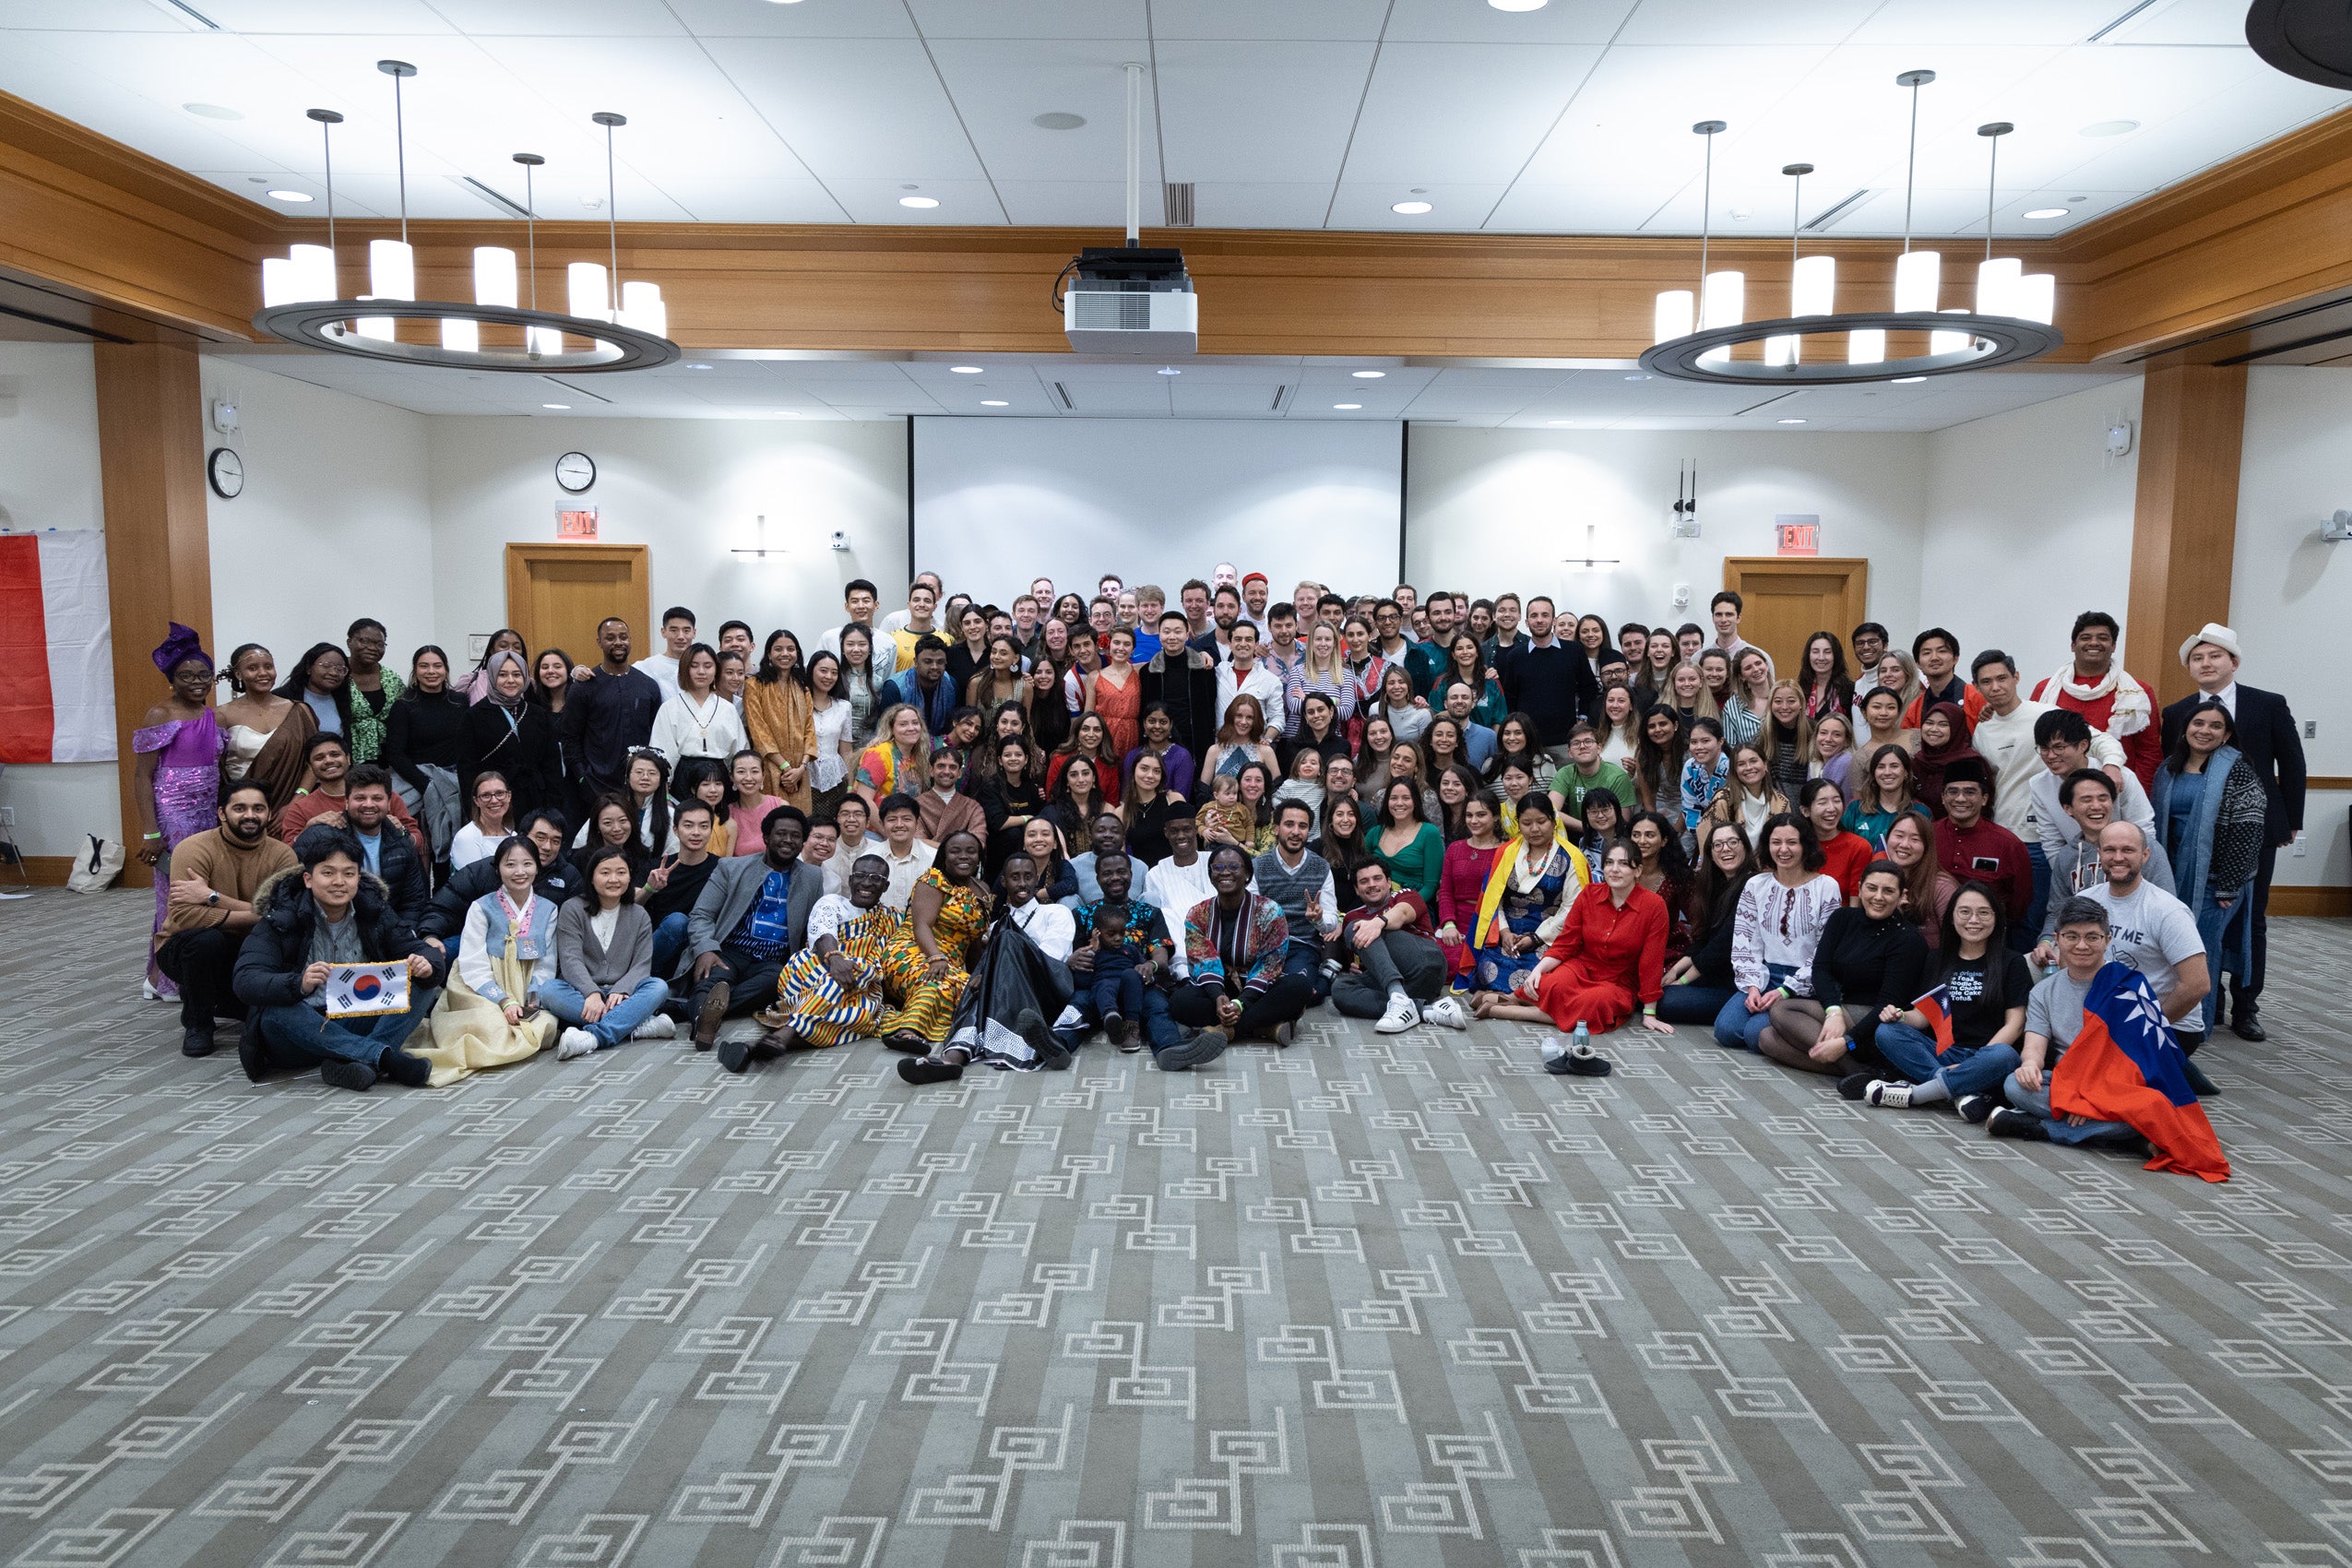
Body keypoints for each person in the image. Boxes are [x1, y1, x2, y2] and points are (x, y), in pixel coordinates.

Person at [2161, 623, 2305, 1042]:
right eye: (2197, 658)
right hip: (2190, 839)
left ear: (2233, 662)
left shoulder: (2266, 704)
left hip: (2255, 831)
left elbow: (2291, 764)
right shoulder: (2176, 712)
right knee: (2194, 918)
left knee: (2249, 918)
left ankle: (2246, 1006)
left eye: (2214, 656)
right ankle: (2210, 999)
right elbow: (2175, 768)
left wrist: (2291, 821)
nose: (2206, 664)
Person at [232, 826, 445, 1091]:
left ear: (359, 877)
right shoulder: (281, 919)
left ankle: (358, 1062)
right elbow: (246, 979)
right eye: (328, 873)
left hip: (356, 1017)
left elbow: (420, 949)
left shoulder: (374, 911)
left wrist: (426, 963)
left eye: (348, 873)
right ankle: (385, 1058)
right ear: (308, 879)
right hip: (298, 1035)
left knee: (422, 982)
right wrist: (298, 983)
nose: (339, 882)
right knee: (276, 1009)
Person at [1478, 841, 1673, 1057]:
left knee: (1593, 1004)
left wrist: (1650, 1013)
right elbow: (1566, 942)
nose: (1614, 869)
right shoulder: (1590, 893)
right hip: (1582, 966)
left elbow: (1651, 961)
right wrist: (1538, 971)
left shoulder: (1654, 906)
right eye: (1609, 863)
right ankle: (1509, 998)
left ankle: (1502, 1009)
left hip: (1618, 980)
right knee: (1551, 983)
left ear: (1638, 871)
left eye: (1623, 864)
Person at [896, 849, 1076, 1081]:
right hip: (1008, 992)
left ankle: (1028, 1044)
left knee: (1006, 940)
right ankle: (952, 1059)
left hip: (1049, 989)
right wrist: (988, 973)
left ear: (1036, 879)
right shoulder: (997, 924)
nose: (1022, 883)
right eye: (1014, 877)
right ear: (1004, 881)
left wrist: (993, 969)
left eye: (1028, 877)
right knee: (975, 989)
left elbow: (1049, 959)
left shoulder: (1055, 912)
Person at [1988, 897, 2152, 1148]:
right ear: (2058, 939)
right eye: (2072, 936)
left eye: (2092, 937)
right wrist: (2029, 1065)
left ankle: (2042, 1128)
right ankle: (2113, 1134)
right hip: (2066, 1079)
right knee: (2014, 1085)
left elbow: (2138, 1058)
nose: (2082, 946)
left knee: (2147, 1107)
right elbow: (2034, 1046)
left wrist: (2091, 1097)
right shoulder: (2044, 991)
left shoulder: (2127, 985)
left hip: (2116, 1083)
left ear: (2107, 940)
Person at [1859, 884, 2030, 1116]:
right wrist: (1899, 1016)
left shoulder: (2012, 962)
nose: (1973, 920)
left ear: (1996, 918)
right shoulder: (1938, 959)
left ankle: (1918, 1094)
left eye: (1983, 912)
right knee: (1887, 1032)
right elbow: (1923, 1017)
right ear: (1951, 917)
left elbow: (2016, 1024)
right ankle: (1958, 1090)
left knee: (2005, 1056)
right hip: (1942, 1054)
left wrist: (1976, 1062)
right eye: (1965, 912)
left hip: (1986, 1056)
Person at [2151, 699, 2266, 1040]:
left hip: (2216, 880)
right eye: (2199, 723)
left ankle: (2193, 1029)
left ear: (2226, 734)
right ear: (2185, 729)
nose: (2206, 731)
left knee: (2200, 951)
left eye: (2216, 726)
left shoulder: (2238, 770)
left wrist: (2230, 883)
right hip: (2171, 874)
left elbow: (2250, 829)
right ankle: (2174, 1014)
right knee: (2168, 947)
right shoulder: (2168, 768)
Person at [156, 782, 299, 1057]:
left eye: (258, 808)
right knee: (206, 940)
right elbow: (186, 916)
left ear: (269, 814)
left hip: (252, 951)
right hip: (185, 946)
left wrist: (211, 896)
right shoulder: (193, 849)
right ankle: (199, 1024)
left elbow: (287, 918)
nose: (250, 815)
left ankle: (210, 996)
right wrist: (260, 915)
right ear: (222, 813)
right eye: (239, 808)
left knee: (269, 1011)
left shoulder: (283, 855)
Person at [1756, 859, 1927, 1076]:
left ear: (1902, 895)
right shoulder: (1842, 918)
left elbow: (1888, 1004)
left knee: (1782, 1010)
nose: (1878, 897)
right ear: (1860, 887)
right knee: (1767, 1039)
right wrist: (1833, 1011)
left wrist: (1848, 1042)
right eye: (1872, 888)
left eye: (1888, 891)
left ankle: (1848, 1060)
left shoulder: (1908, 939)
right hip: (1836, 1011)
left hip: (1874, 1025)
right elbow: (1820, 969)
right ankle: (1857, 1071)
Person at [418, 833, 564, 1082]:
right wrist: (504, 1001)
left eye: (527, 864)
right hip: (481, 987)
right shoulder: (481, 907)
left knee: (545, 1024)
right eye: (510, 864)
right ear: (498, 869)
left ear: (538, 868)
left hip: (525, 986)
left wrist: (531, 999)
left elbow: (546, 963)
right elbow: (472, 962)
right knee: (489, 1024)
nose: (520, 871)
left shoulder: (548, 909)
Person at [2066, 822, 2212, 1060]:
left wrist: (2148, 1026)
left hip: (2166, 1025)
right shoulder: (2085, 900)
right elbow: (2067, 961)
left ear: (2145, 855)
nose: (2118, 857)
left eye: (2128, 850)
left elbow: (2197, 984)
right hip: (2104, 1016)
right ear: (2100, 853)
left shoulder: (2168, 911)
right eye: (2110, 850)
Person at [684, 804, 826, 1049]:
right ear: (766, 837)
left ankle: (700, 1009)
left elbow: (812, 926)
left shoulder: (812, 876)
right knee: (715, 979)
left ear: (803, 843)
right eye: (781, 834)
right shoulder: (732, 868)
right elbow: (701, 914)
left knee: (774, 985)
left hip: (772, 961)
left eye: (795, 836)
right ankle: (703, 1021)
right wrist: (706, 949)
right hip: (730, 951)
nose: (788, 840)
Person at [133, 624, 225, 998]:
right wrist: (151, 833)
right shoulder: (160, 714)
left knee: (205, 889)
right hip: (173, 816)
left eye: (204, 674)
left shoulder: (210, 715)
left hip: (207, 813)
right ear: (172, 678)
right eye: (187, 675)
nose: (197, 682)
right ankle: (162, 979)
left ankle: (196, 973)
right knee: (174, 891)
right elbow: (141, 776)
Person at [1714, 814, 1842, 1052]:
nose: (1783, 849)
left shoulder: (1827, 886)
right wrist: (1752, 986)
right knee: (1726, 1030)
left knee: (1755, 1035)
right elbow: (1745, 941)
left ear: (1805, 845)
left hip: (1805, 981)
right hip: (1765, 974)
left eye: (1792, 842)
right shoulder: (1756, 884)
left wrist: (1786, 990)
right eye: (1776, 842)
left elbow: (1825, 950)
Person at [1171, 844, 1315, 1050]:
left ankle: (1228, 1030)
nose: (1225, 873)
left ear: (1247, 874)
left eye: (1233, 867)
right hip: (1220, 987)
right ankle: (1264, 1027)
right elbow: (1202, 961)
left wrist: (1241, 1003)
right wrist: (1218, 997)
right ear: (1211, 875)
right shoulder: (1198, 914)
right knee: (1179, 1002)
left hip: (1259, 988)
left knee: (1300, 986)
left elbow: (1269, 966)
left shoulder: (1270, 911)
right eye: (1218, 868)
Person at [543, 844, 674, 1059]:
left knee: (658, 987)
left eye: (621, 873)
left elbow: (641, 965)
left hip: (623, 994)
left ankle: (593, 1037)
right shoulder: (572, 909)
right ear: (592, 878)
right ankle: (633, 1025)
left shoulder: (639, 914)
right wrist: (591, 992)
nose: (614, 879)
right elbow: (570, 959)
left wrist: (622, 989)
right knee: (549, 990)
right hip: (580, 993)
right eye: (605, 873)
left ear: (629, 877)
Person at [874, 829, 992, 1050]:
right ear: (944, 857)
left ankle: (902, 1026)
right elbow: (921, 926)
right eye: (955, 851)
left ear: (979, 857)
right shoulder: (933, 880)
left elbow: (974, 941)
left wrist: (976, 975)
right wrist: (936, 957)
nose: (964, 856)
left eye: (971, 851)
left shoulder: (983, 891)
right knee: (938, 980)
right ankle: (909, 1032)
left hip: (947, 964)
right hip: (911, 951)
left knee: (969, 986)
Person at [1467, 794, 1588, 1003]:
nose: (1534, 829)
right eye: (1526, 823)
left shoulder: (1572, 858)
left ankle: (1500, 1000)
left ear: (1553, 820)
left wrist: (1536, 938)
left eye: (1541, 822)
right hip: (1509, 934)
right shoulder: (1507, 852)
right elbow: (1495, 899)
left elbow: (1572, 909)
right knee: (1488, 967)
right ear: (1518, 824)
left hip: (1550, 935)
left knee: (1544, 973)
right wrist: (1504, 932)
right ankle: (1516, 999)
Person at [2039, 767, 2175, 942]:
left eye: (2103, 798)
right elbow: (2057, 912)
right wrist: (2045, 943)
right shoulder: (2067, 856)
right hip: (2081, 945)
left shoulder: (2141, 847)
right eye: (2086, 800)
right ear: (2068, 809)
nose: (2096, 806)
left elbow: (2167, 905)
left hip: (2135, 942)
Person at [2032, 611, 2159, 789]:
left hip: (2117, 790)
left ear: (2114, 645)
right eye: (2085, 637)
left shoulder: (2138, 693)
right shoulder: (2045, 689)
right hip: (2056, 789)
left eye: (2102, 638)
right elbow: (2035, 743)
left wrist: (2141, 796)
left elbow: (2149, 753)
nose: (2094, 643)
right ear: (2073, 645)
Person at [1326, 859, 1455, 1032]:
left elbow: (1402, 913)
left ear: (1388, 883)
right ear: (1357, 890)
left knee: (1357, 927)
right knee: (1340, 989)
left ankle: (1398, 996)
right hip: (1411, 986)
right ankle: (1423, 1010)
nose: (1371, 885)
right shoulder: (1352, 915)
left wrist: (1377, 923)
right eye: (1364, 882)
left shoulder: (1405, 895)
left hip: (1427, 962)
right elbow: (1362, 962)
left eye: (1377, 878)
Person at [1659, 819, 1755, 1025]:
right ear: (1710, 853)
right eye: (1718, 845)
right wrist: (1675, 970)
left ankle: (1735, 1010)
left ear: (1746, 847)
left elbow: (1721, 946)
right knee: (1654, 989)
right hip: (1711, 976)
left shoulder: (1752, 885)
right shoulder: (1715, 885)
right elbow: (1703, 939)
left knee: (1666, 1001)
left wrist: (1682, 981)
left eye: (1732, 842)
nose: (1725, 849)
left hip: (1735, 984)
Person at [565, 618, 664, 808]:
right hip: (596, 785)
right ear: (599, 642)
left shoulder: (648, 685)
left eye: (623, 637)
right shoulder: (584, 687)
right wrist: (582, 778)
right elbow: (570, 738)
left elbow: (657, 736)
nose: (618, 642)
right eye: (610, 638)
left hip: (641, 786)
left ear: (630, 640)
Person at [388, 646, 470, 861]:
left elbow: (467, 745)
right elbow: (395, 753)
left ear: (446, 669)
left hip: (453, 785)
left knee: (451, 849)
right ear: (415, 671)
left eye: (437, 665)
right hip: (416, 784)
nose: (431, 671)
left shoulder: (460, 702)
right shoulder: (403, 706)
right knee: (419, 852)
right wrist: (426, 785)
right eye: (424, 666)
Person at [1933, 757, 2032, 935]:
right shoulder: (1926, 835)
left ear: (1984, 798)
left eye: (1970, 792)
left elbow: (2019, 904)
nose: (1960, 799)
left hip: (1988, 936)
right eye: (1952, 792)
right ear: (1943, 797)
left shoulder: (2008, 844)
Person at [1253, 799, 1342, 994]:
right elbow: (1250, 916)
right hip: (1265, 946)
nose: (1295, 832)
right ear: (1276, 829)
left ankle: (1325, 977)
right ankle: (1325, 975)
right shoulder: (1258, 866)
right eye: (1289, 824)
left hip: (1302, 945)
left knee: (1299, 992)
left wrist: (1318, 919)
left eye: (1302, 826)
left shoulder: (1321, 867)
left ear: (1309, 831)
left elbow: (1331, 921)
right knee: (1259, 989)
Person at [1495, 596, 1599, 757]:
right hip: (1529, 743)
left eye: (1545, 615)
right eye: (1534, 616)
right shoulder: (1515, 656)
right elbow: (1510, 698)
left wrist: (1583, 718)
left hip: (1566, 741)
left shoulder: (1573, 651)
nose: (1539, 620)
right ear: (1527, 621)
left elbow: (1589, 687)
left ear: (1554, 620)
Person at [460, 648, 559, 818]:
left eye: (517, 674)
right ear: (492, 677)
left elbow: (552, 764)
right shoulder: (473, 716)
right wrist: (474, 810)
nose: (511, 680)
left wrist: (552, 807)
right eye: (503, 675)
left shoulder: (539, 714)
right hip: (495, 803)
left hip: (536, 799)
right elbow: (467, 769)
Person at [217, 642, 310, 816]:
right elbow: (215, 769)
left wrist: (296, 803)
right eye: (252, 668)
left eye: (268, 667)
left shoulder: (298, 711)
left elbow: (313, 762)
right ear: (238, 674)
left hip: (291, 808)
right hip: (242, 810)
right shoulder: (222, 715)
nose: (263, 673)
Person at [640, 799, 720, 981]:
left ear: (711, 829)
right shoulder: (656, 867)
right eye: (688, 825)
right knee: (678, 922)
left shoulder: (722, 868)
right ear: (676, 830)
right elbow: (631, 905)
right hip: (658, 951)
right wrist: (650, 888)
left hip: (698, 947)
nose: (696, 832)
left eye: (703, 826)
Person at [742, 630, 818, 810]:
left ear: (797, 654)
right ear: (769, 654)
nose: (785, 654)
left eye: (790, 649)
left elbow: (810, 729)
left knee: (800, 824)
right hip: (770, 767)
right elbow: (759, 731)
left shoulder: (802, 687)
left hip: (800, 771)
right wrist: (785, 767)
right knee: (772, 822)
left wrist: (801, 768)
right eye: (778, 649)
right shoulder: (754, 685)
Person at [1842, 744, 1932, 851]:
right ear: (1874, 773)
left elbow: (1928, 854)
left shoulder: (1921, 812)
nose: (1887, 772)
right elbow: (1843, 850)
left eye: (1894, 766)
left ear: (1906, 772)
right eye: (1881, 767)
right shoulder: (1855, 809)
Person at [1548, 723, 1635, 832]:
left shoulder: (1618, 777)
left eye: (1588, 741)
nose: (1582, 746)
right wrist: (1587, 828)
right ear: (1570, 753)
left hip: (1611, 835)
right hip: (1578, 833)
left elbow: (1623, 821)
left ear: (1599, 748)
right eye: (1576, 743)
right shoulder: (1565, 773)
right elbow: (1550, 811)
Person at [1370, 778, 1443, 904]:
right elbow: (1361, 870)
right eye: (1393, 798)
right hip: (1375, 905)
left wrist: (1401, 910)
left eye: (1406, 798)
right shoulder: (1375, 832)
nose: (1399, 803)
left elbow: (1430, 886)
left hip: (1413, 907)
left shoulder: (1430, 833)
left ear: (1415, 801)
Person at [1702, 743, 1788, 848]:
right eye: (1741, 764)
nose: (1748, 767)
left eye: (1753, 761)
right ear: (1735, 770)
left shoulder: (1781, 802)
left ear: (1765, 765)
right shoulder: (1723, 801)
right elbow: (1709, 846)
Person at [1802, 778, 1873, 898]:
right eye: (1822, 802)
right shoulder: (1797, 846)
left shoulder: (1858, 847)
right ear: (1805, 811)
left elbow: (1855, 905)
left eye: (1836, 801)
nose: (1831, 809)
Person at [1904, 629, 1985, 731]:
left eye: (1942, 651)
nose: (1934, 658)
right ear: (1918, 663)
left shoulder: (1976, 697)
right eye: (1927, 653)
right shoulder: (1913, 709)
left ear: (1955, 658)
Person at [879, 636, 957, 738]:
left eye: (940, 662)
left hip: (941, 745)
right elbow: (887, 729)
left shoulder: (951, 684)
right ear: (916, 662)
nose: (934, 667)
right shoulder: (895, 688)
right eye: (928, 662)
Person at [450, 770, 517, 872]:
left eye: (500, 793)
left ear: (509, 796)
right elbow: (472, 883)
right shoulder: (467, 837)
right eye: (486, 795)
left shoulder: (514, 836)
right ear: (476, 801)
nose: (494, 800)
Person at [629, 606, 695, 703]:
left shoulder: (704, 666)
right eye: (674, 630)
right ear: (663, 632)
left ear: (694, 633)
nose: (681, 636)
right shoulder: (646, 667)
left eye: (686, 631)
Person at [1679, 719, 1729, 836]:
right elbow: (1689, 808)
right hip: (1703, 834)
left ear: (1721, 741)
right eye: (1694, 742)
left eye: (1705, 741)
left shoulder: (1732, 767)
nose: (1699, 747)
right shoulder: (1690, 767)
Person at [1707, 590, 1769, 678]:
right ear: (1713, 618)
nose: (1723, 620)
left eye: (1729, 614)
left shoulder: (1759, 658)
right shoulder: (1699, 657)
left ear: (1738, 618)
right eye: (1718, 615)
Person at [1797, 631, 1853, 724]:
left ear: (1836, 656)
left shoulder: (1849, 690)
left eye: (1827, 652)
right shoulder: (1800, 688)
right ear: (1808, 655)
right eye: (1815, 652)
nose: (1821, 657)